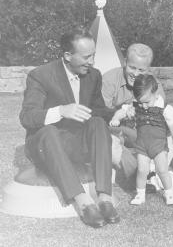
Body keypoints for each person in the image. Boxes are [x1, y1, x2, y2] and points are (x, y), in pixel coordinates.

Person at [19, 27, 119, 228]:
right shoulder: (40, 76)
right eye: (86, 56)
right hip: (45, 146)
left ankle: (105, 197)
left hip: (74, 144)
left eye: (93, 55)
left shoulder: (93, 75)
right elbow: (27, 117)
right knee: (49, 131)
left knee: (98, 123)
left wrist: (118, 112)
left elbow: (98, 111)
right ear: (67, 55)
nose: (91, 62)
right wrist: (61, 110)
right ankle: (83, 202)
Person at [102, 43, 173, 183]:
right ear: (125, 61)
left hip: (141, 131)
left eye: (141, 70)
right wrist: (121, 111)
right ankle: (140, 174)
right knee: (108, 142)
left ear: (148, 69)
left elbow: (161, 114)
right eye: (132, 67)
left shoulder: (153, 83)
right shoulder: (109, 79)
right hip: (116, 130)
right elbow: (100, 113)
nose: (135, 74)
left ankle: (155, 168)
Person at [110, 74, 173, 205]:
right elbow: (122, 111)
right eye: (140, 102)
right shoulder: (136, 105)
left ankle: (169, 193)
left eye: (147, 102)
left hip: (159, 146)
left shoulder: (165, 108)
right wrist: (116, 118)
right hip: (142, 145)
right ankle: (140, 194)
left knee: (162, 170)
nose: (143, 106)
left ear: (155, 93)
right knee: (142, 170)